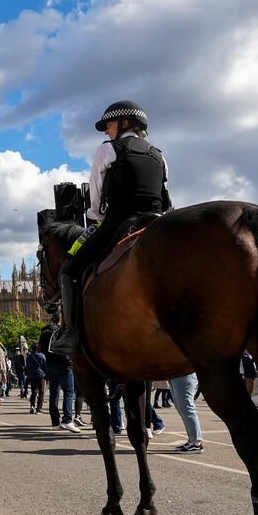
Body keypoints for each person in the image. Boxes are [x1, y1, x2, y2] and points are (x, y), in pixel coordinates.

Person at [50, 100, 171, 355]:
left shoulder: (108, 150)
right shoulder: (158, 154)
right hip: (158, 219)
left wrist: (96, 216)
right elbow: (165, 195)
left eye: (109, 125)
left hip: (121, 220)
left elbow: (95, 200)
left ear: (124, 123)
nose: (106, 131)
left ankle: (70, 335)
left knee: (69, 271)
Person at [39, 318, 80, 433]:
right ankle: (67, 420)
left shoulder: (44, 331)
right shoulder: (63, 330)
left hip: (50, 364)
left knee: (54, 393)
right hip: (63, 364)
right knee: (68, 392)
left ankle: (55, 422)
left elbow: (40, 348)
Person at [169, 373, 204, 452]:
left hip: (184, 375)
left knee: (187, 408)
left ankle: (196, 443)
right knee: (181, 408)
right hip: (175, 376)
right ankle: (192, 440)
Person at [25, 342, 47, 414]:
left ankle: (32, 406)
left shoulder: (29, 356)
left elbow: (27, 366)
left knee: (33, 392)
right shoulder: (42, 356)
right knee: (41, 392)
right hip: (40, 375)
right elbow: (44, 366)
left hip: (32, 375)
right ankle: (39, 408)